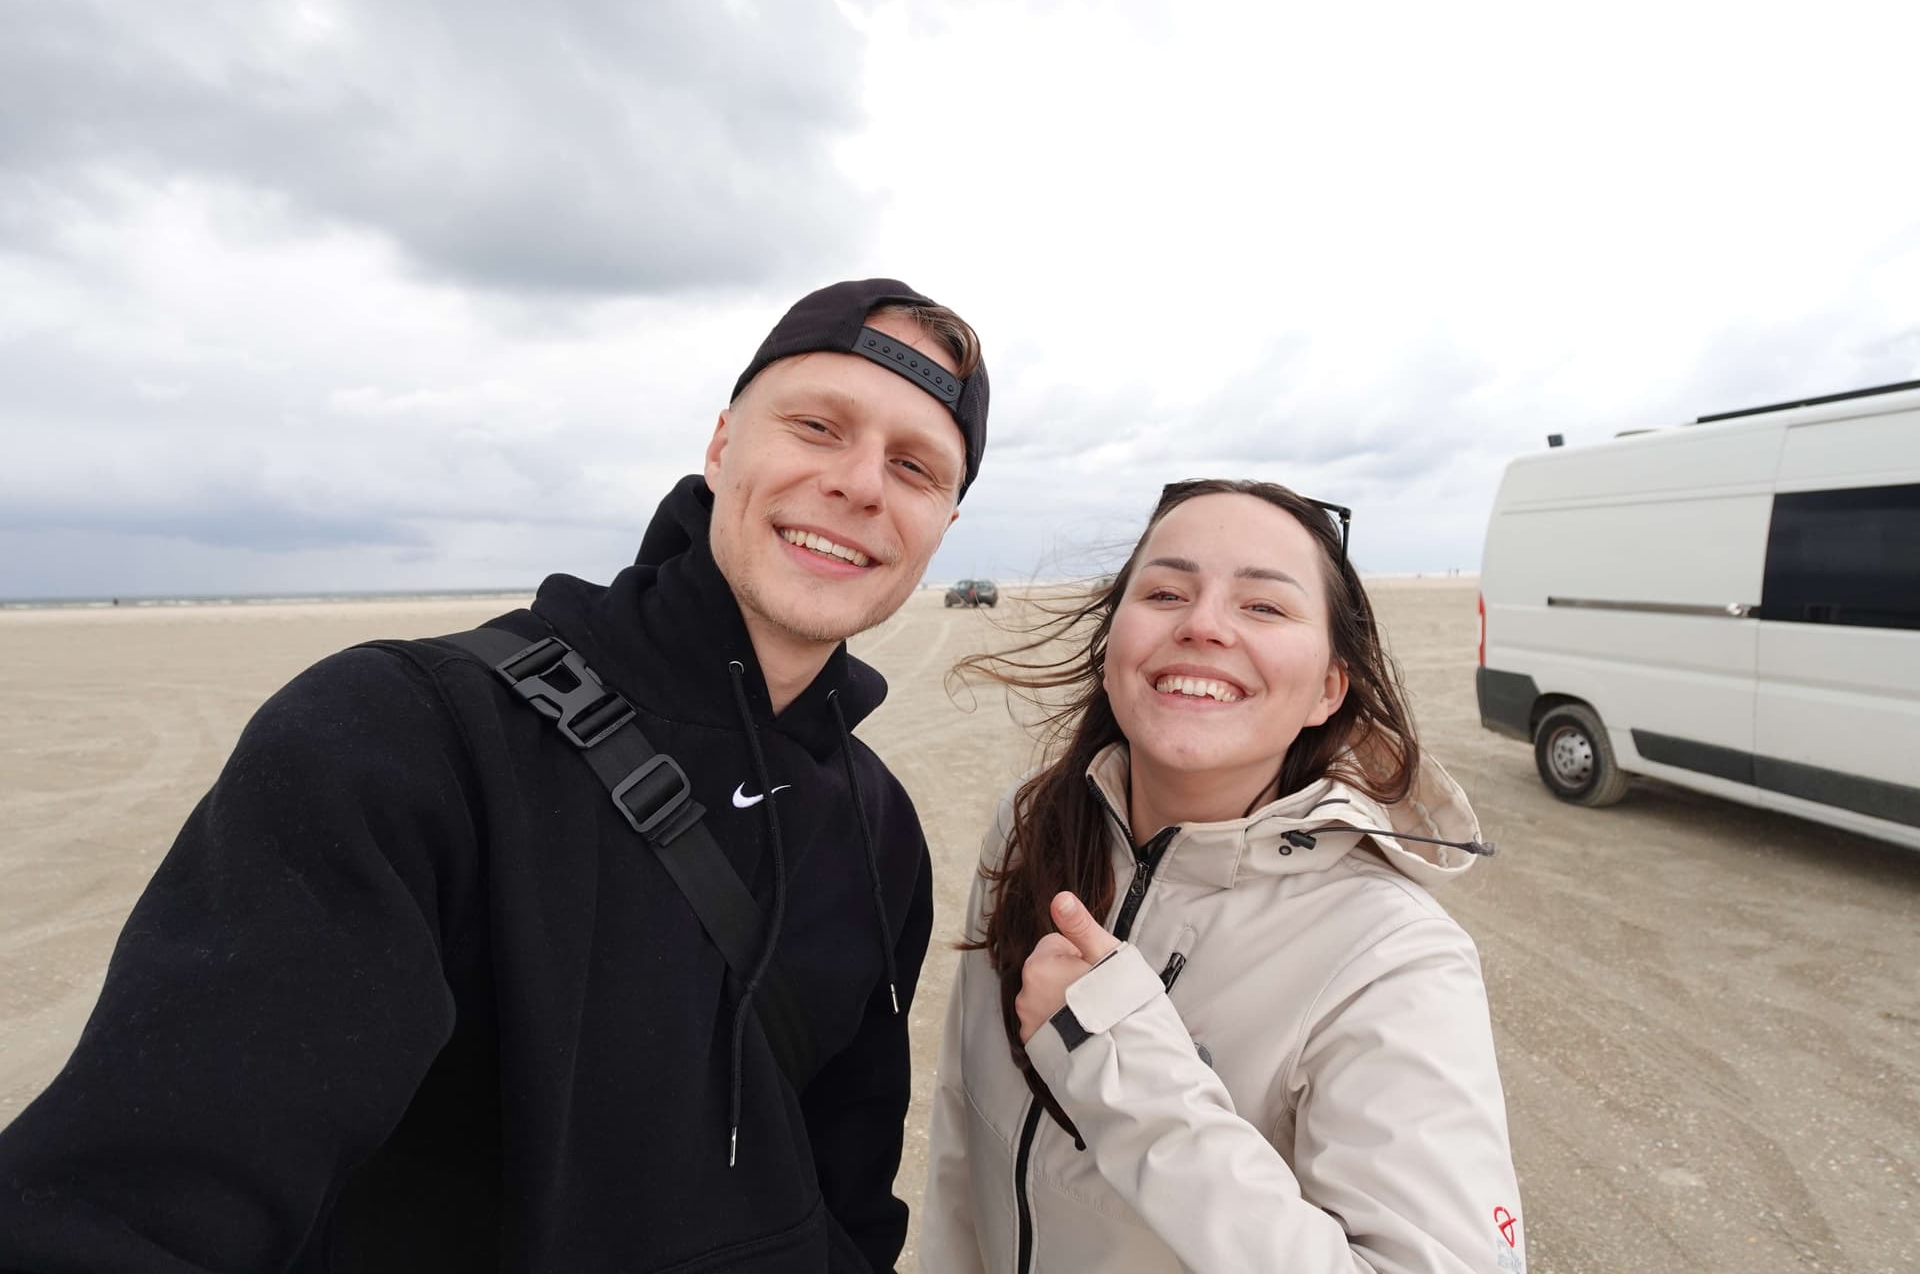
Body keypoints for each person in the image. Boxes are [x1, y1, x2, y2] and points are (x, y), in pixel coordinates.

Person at [0, 278, 989, 1272]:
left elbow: (848, 1188)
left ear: (943, 523)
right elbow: (129, 1198)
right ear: (722, 445)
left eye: (914, 466)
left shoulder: (877, 825)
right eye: (818, 426)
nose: (862, 483)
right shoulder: (404, 735)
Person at [921, 479, 1525, 1273]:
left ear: (1328, 688)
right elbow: (964, 1138)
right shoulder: (1036, 826)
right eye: (1166, 593)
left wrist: (1123, 1066)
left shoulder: (1391, 954)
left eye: (1264, 606)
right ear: (1111, 646)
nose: (1202, 625)